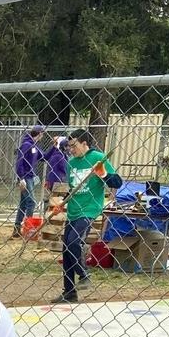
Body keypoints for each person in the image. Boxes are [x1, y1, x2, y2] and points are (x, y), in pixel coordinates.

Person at [53, 128, 122, 303]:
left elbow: (117, 182)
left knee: (73, 240)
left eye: (73, 145)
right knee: (66, 249)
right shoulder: (71, 163)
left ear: (84, 143)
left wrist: (103, 174)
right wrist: (62, 203)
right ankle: (69, 291)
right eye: (69, 146)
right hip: (74, 210)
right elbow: (72, 189)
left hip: (89, 208)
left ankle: (84, 273)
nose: (71, 149)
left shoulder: (98, 158)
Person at [13, 125, 43, 237]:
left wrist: (55, 148)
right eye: (42, 133)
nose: (42, 136)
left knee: (24, 203)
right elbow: (19, 162)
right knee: (31, 202)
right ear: (39, 133)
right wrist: (21, 178)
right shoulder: (27, 145)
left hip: (31, 177)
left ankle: (17, 229)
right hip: (25, 177)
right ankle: (28, 228)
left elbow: (44, 157)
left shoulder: (35, 146)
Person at [39, 132, 68, 206]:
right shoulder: (60, 156)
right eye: (68, 146)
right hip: (58, 181)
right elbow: (65, 168)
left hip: (52, 180)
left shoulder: (55, 154)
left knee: (54, 198)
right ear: (64, 147)